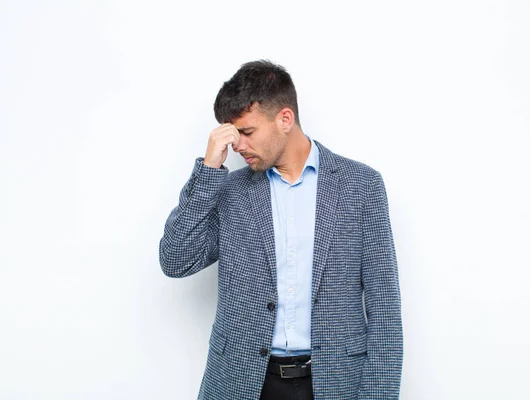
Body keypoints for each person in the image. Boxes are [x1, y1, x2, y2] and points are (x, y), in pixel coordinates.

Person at [159, 60, 403, 400]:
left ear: (284, 119)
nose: (238, 146)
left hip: (333, 383)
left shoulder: (361, 186)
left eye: (246, 132)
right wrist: (209, 169)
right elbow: (175, 260)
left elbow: (384, 306)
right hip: (242, 381)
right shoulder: (230, 190)